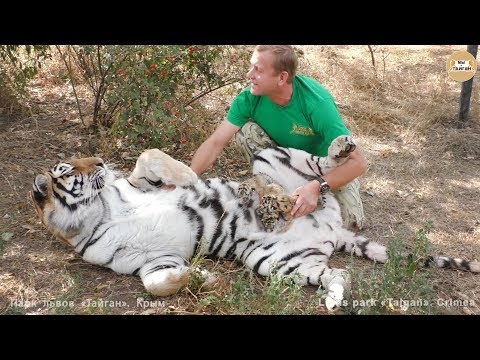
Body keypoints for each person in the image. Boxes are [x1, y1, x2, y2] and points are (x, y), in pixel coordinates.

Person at [190, 45, 367, 230]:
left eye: (258, 70)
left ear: (282, 77)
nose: (249, 75)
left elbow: (359, 163)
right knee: (247, 132)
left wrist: (317, 186)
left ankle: (309, 197)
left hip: (325, 169)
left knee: (350, 224)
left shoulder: (317, 103)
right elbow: (216, 143)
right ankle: (276, 192)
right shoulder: (249, 98)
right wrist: (186, 181)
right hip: (286, 166)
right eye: (252, 67)